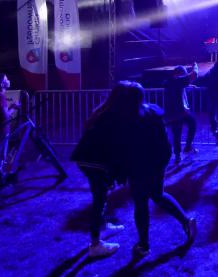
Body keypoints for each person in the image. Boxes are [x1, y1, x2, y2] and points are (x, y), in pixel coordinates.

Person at [122, 82, 197, 257]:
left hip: (140, 163)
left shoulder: (130, 117)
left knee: (141, 202)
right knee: (157, 195)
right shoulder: (153, 111)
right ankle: (185, 221)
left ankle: (144, 244)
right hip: (158, 160)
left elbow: (128, 145)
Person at [71, 84, 128, 258]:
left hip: (87, 159)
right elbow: (116, 146)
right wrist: (119, 172)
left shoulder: (104, 110)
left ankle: (102, 225)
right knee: (99, 198)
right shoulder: (115, 116)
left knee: (102, 194)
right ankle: (95, 245)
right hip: (94, 162)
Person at [163, 64, 198, 163]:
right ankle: (180, 152)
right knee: (177, 133)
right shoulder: (177, 80)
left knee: (190, 125)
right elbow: (194, 74)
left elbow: (179, 87)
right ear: (178, 74)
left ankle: (184, 149)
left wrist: (189, 86)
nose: (185, 76)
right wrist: (195, 66)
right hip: (177, 112)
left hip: (176, 111)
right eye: (184, 74)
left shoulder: (171, 81)